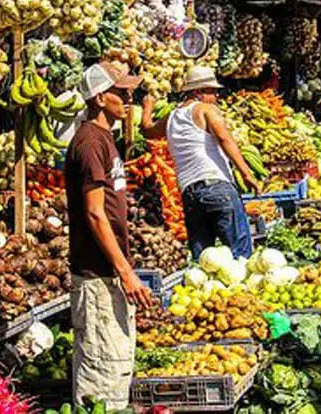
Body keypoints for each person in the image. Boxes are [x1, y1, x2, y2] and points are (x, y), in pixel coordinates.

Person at [65, 62, 153, 408]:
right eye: (121, 92)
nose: (129, 97)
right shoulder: (89, 143)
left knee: (115, 367)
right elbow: (94, 212)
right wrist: (125, 271)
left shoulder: (105, 139)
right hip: (98, 274)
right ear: (100, 98)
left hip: (109, 273)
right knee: (101, 371)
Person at [141, 66, 259, 259]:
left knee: (203, 260)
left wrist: (148, 108)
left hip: (190, 194)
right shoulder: (205, 109)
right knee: (241, 255)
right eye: (212, 92)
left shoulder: (171, 117)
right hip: (217, 186)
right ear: (199, 92)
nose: (216, 97)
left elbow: (147, 130)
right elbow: (224, 138)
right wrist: (246, 173)